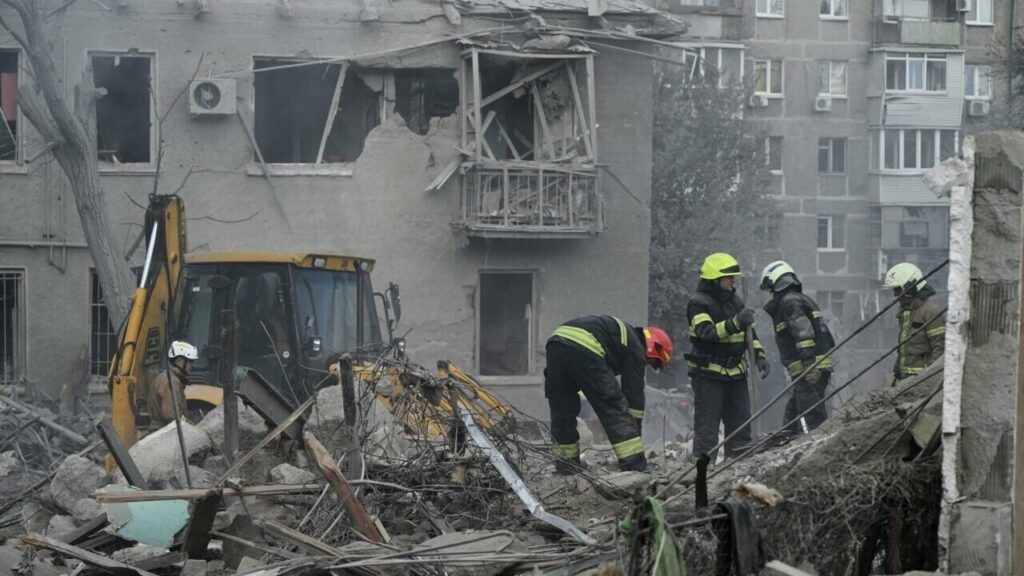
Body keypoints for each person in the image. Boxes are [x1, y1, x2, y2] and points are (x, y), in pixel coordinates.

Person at [544, 315, 673, 474]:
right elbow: (633, 396)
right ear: (655, 347)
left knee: (562, 410)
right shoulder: (636, 346)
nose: (647, 363)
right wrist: (634, 432)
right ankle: (634, 465)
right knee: (613, 406)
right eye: (653, 361)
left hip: (555, 344)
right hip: (584, 345)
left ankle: (566, 465)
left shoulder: (623, 337)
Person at [686, 253, 769, 462]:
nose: (733, 281)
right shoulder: (698, 303)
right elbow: (706, 332)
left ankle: (738, 470)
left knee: (740, 426)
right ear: (715, 279)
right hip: (709, 376)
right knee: (707, 428)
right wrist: (735, 323)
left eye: (734, 277)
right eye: (729, 278)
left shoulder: (736, 302)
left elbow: (750, 334)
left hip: (736, 375)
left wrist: (759, 355)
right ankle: (702, 475)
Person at [760, 260, 836, 433]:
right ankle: (787, 441)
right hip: (810, 367)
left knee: (812, 415)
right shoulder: (800, 300)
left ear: (776, 284)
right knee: (795, 411)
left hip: (809, 368)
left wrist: (810, 366)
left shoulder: (789, 302)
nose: (770, 295)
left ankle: (818, 446)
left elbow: (804, 335)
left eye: (770, 290)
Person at [882, 263, 945, 385]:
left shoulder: (930, 311)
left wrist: (929, 378)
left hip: (921, 381)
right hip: (906, 379)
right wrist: (897, 373)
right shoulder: (906, 311)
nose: (895, 295)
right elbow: (904, 346)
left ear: (910, 287)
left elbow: (939, 348)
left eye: (897, 289)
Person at [148, 340, 197, 429]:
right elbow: (171, 415)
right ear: (179, 361)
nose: (192, 365)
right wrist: (190, 425)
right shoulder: (172, 382)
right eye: (190, 361)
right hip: (163, 434)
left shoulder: (169, 377)